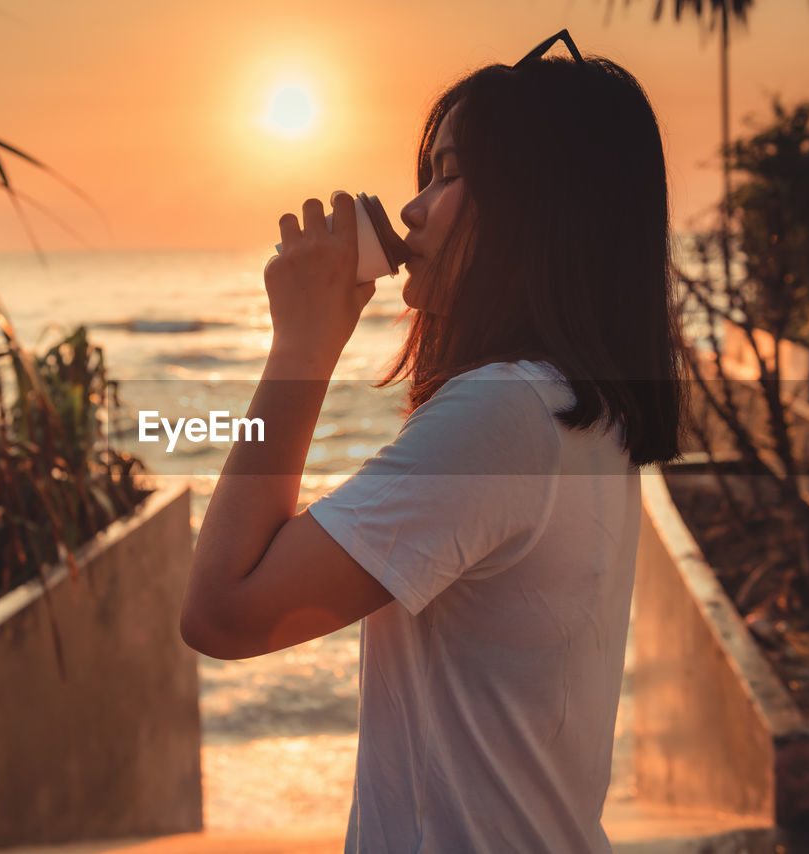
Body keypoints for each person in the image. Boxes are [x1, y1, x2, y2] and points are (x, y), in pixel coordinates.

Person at [180, 29, 689, 854]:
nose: (413, 207)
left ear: (538, 208)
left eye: (452, 174)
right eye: (427, 174)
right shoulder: (570, 407)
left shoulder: (506, 414)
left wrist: (302, 348)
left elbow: (223, 613)